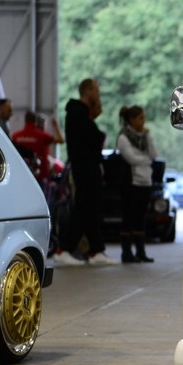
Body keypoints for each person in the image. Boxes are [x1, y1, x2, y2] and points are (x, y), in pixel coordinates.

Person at [56, 78, 116, 266]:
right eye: (96, 90)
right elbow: (95, 137)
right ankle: (64, 249)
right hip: (84, 166)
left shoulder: (81, 113)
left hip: (88, 165)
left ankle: (95, 250)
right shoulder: (77, 112)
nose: (98, 94)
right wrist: (100, 136)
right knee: (83, 207)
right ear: (88, 91)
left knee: (91, 208)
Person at [116, 105, 158, 263]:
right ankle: (126, 253)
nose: (143, 121)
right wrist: (146, 159)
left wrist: (148, 138)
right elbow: (131, 158)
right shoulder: (123, 137)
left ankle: (141, 252)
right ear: (131, 120)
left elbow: (154, 154)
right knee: (128, 216)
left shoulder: (145, 136)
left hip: (146, 181)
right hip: (130, 182)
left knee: (141, 217)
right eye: (140, 118)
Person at [12, 110, 64, 184]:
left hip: (21, 175)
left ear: (25, 120)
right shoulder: (43, 136)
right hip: (39, 176)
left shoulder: (15, 136)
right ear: (35, 121)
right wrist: (55, 125)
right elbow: (61, 140)